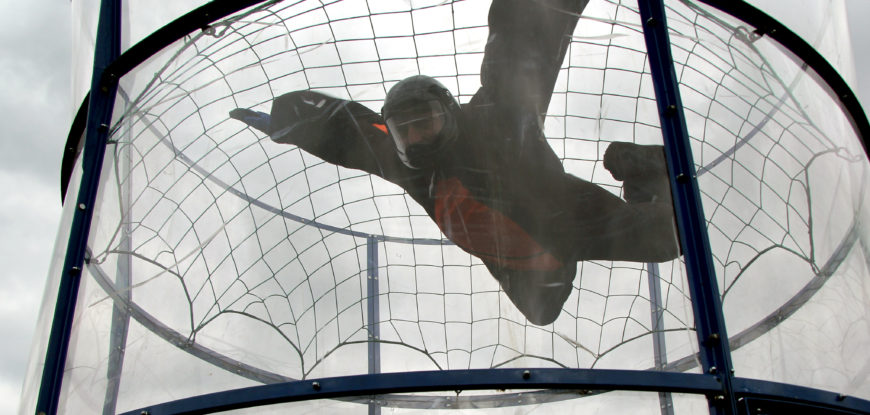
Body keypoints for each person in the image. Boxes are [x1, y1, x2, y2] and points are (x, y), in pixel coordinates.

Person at [230, 0, 680, 325]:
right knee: (542, 312)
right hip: (522, 258)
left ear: (447, 114)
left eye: (424, 122)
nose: (416, 137)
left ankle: (646, 170)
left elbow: (521, 44)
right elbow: (350, 131)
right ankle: (629, 196)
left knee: (670, 239)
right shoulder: (406, 163)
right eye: (405, 130)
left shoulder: (496, 117)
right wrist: (290, 122)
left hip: (566, 216)